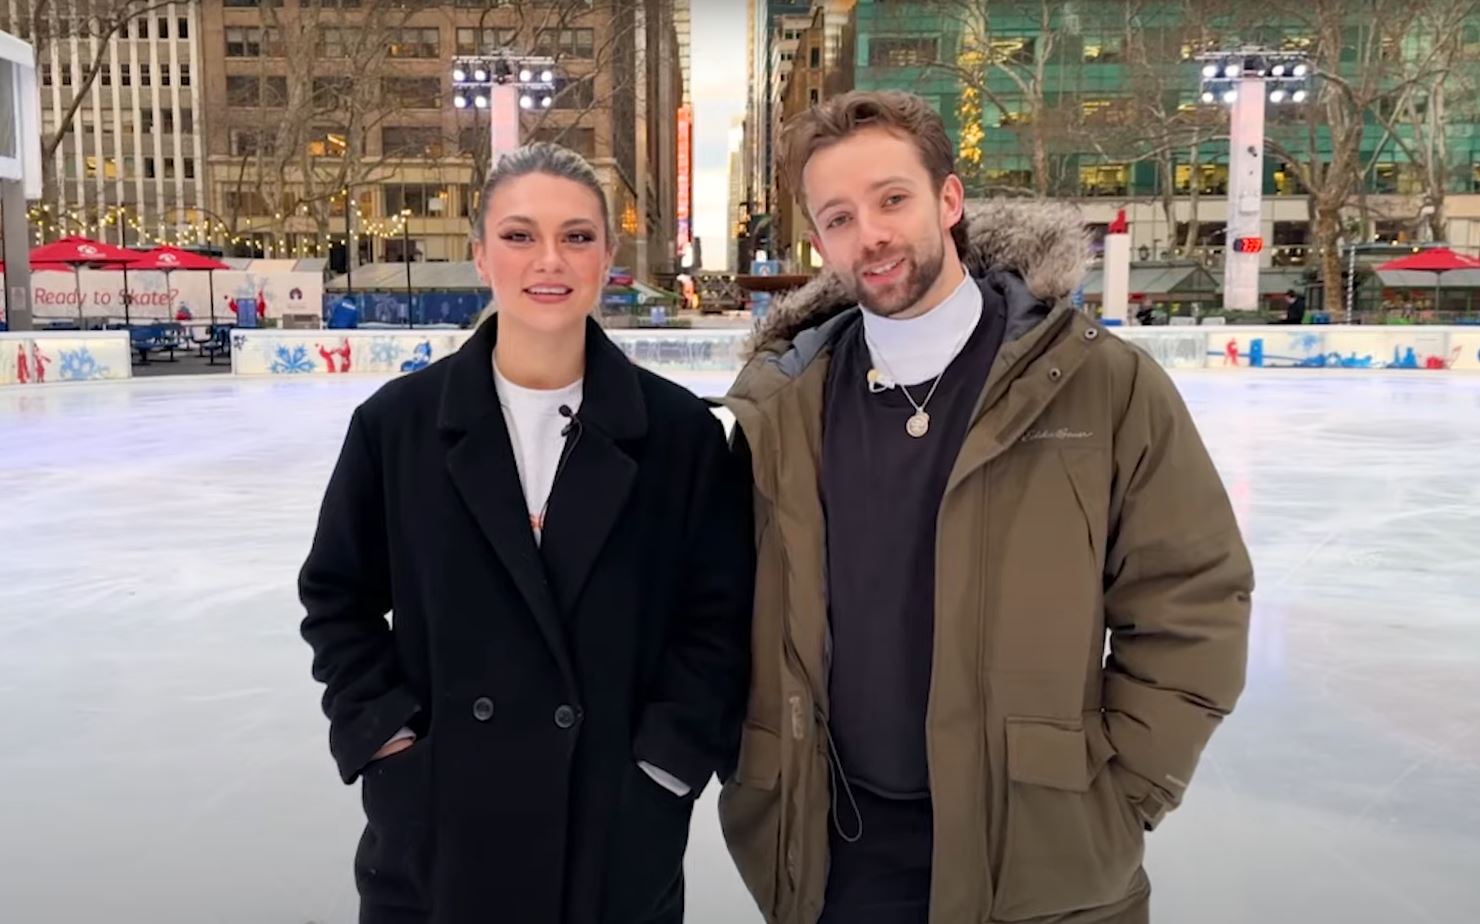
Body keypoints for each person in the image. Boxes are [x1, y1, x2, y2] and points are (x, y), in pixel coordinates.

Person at [718, 90, 1253, 924]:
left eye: (893, 198)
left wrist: (1121, 792)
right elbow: (718, 615)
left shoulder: (1099, 385)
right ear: (820, 241)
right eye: (840, 217)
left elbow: (1194, 598)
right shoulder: (781, 411)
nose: (873, 234)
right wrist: (757, 776)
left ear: (950, 199)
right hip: (834, 859)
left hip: (1039, 858)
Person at [299, 142, 754, 924]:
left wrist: (664, 768)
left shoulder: (680, 434)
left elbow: (717, 620)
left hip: (613, 837)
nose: (550, 259)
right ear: (480, 253)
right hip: (440, 838)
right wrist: (387, 744)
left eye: (577, 236)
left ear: (609, 254)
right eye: (519, 235)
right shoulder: (396, 427)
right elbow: (337, 600)